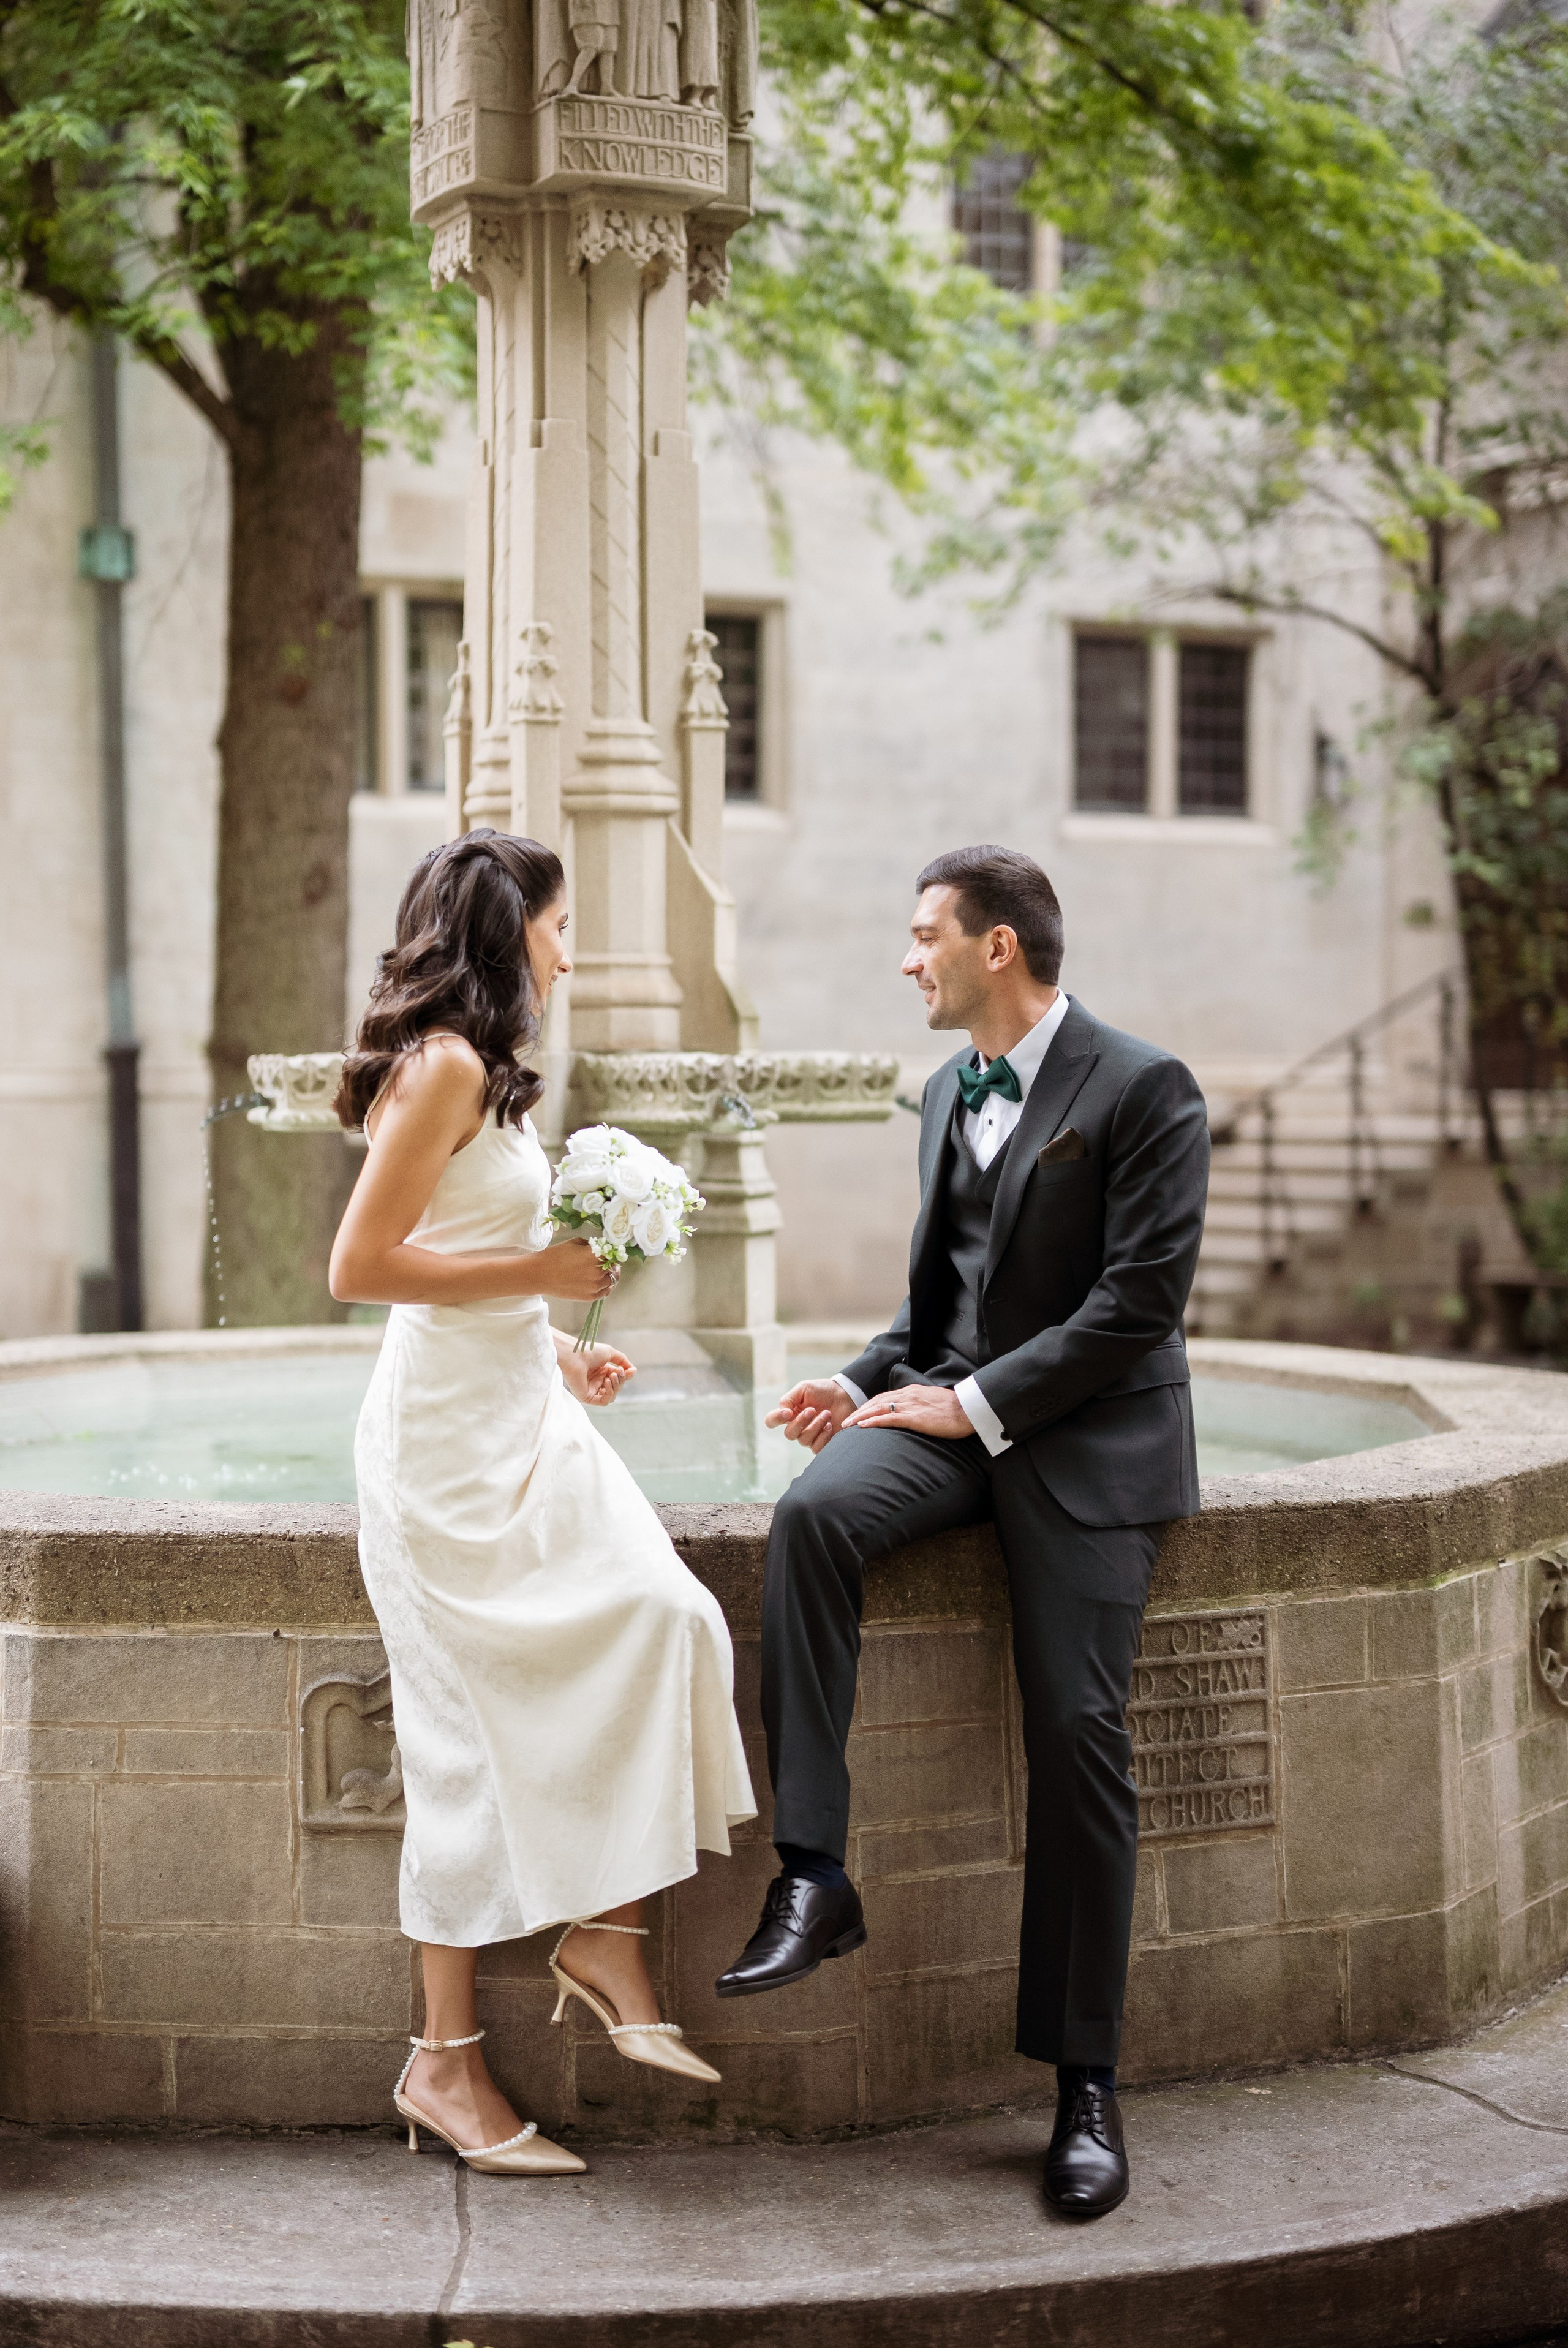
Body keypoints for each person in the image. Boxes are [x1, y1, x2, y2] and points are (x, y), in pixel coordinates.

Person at [715, 845, 1208, 2221]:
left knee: (1077, 1741)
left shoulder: (1143, 1086)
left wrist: (972, 1404)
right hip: (958, 1426)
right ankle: (814, 1874)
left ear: (998, 947)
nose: (906, 956)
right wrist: (867, 1383)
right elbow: (937, 1303)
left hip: (1091, 1446)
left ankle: (1084, 2088)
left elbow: (1135, 1307)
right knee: (809, 1517)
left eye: (923, 933)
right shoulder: (942, 1091)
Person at [330, 828, 754, 2179]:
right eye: (559, 926)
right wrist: (540, 1268)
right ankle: (443, 2068)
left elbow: (463, 1255)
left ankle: (604, 1935)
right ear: (509, 930)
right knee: (458, 1749)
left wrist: (558, 1345)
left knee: (668, 1618)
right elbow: (360, 1266)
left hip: (523, 1419)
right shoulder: (444, 1063)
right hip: (444, 1460)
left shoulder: (492, 1079)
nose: (570, 951)